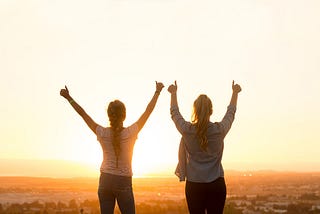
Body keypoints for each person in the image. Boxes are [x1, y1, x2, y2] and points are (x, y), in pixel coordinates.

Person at [60, 81, 164, 214]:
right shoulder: (131, 133)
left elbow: (83, 114)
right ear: (124, 115)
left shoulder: (102, 133)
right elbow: (148, 111)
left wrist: (69, 98)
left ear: (109, 115)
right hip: (124, 181)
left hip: (105, 181)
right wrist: (157, 92)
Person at [168, 80, 241, 214]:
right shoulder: (219, 130)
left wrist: (173, 93)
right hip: (216, 185)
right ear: (211, 111)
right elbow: (231, 113)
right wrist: (235, 93)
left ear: (194, 110)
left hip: (194, 186)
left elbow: (175, 113)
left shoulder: (187, 130)